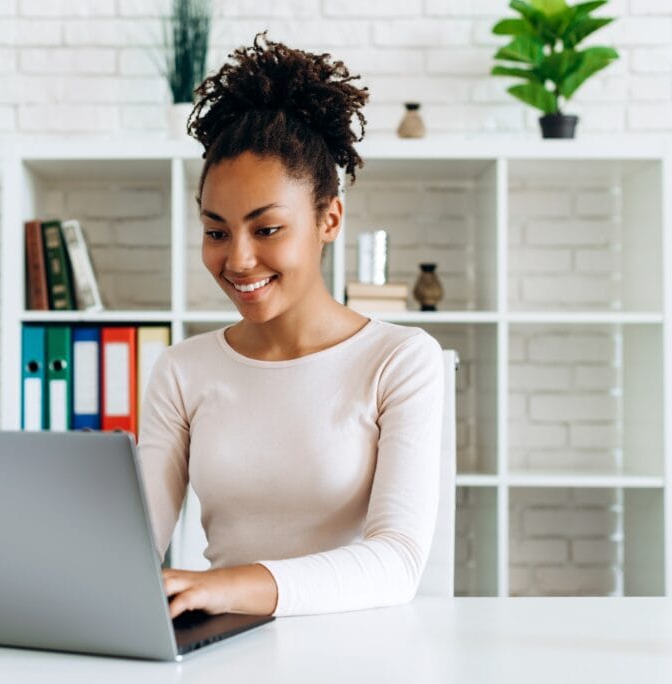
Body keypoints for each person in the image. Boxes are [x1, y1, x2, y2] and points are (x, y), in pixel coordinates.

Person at [137, 30, 445, 619]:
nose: (238, 260)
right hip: (219, 645)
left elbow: (397, 560)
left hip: (360, 652)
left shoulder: (400, 360)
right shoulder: (182, 370)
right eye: (216, 231)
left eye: (267, 229)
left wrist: (223, 585)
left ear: (329, 218)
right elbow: (133, 545)